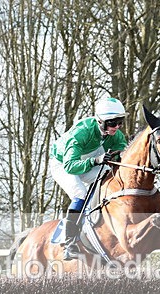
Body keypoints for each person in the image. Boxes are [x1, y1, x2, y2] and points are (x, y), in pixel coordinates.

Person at [49, 97, 129, 260]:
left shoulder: (113, 133)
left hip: (86, 159)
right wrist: (96, 160)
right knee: (80, 192)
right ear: (101, 122)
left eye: (120, 122)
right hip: (63, 164)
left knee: (108, 175)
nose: (117, 127)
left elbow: (122, 150)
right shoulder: (81, 133)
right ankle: (69, 243)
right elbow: (70, 166)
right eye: (113, 123)